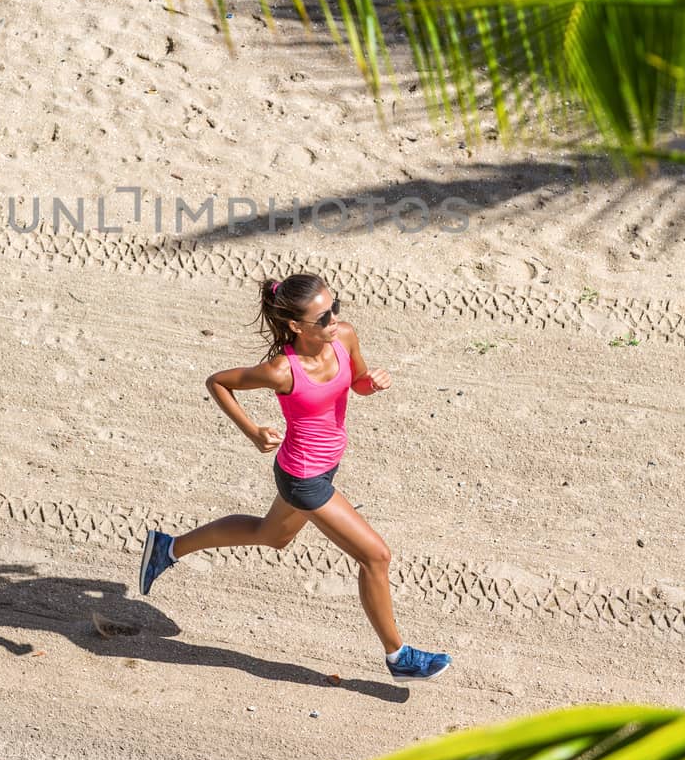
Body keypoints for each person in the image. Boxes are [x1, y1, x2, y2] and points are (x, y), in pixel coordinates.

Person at [139, 271, 451, 680]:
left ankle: (168, 547)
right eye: (323, 318)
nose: (333, 321)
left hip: (322, 464)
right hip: (304, 478)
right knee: (376, 556)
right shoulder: (281, 371)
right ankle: (399, 658)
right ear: (296, 325)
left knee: (271, 536)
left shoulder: (344, 337)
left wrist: (371, 384)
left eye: (335, 308)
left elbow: (355, 382)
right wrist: (252, 431)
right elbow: (218, 382)